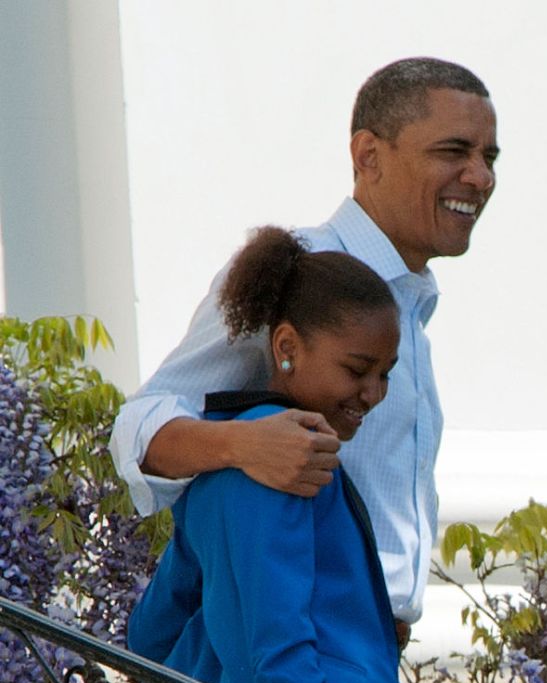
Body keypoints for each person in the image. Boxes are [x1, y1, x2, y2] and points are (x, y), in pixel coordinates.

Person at [128, 228, 500, 683]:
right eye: (357, 369)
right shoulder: (284, 465)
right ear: (287, 346)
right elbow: (280, 637)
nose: (373, 394)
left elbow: (152, 633)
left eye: (385, 374)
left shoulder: (220, 466)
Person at [110, 56, 499, 644]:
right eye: (453, 151)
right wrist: (242, 444)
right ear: (368, 155)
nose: (480, 177)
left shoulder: (409, 304)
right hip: (298, 660)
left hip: (365, 661)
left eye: (489, 157)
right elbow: (138, 425)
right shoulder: (301, 275)